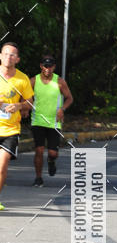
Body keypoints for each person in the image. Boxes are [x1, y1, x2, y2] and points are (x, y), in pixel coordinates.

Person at [30, 54, 73, 186]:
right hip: (37, 120)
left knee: (53, 153)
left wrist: (63, 109)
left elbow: (70, 98)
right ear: (41, 66)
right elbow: (26, 97)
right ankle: (38, 178)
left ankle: (51, 161)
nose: (47, 68)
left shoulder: (59, 81)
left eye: (50, 66)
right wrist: (26, 106)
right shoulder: (34, 81)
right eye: (45, 66)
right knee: (39, 150)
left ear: (54, 67)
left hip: (54, 121)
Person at [0, 42, 33, 210]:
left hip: (11, 129)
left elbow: (30, 102)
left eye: (12, 55)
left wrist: (19, 106)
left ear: (17, 59)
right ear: (0, 56)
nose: (8, 57)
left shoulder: (22, 79)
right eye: (5, 54)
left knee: (2, 166)